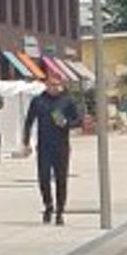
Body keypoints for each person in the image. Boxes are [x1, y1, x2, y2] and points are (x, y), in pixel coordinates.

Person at [23, 73, 82, 225]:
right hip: (44, 146)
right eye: (51, 85)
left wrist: (66, 123)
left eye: (57, 85)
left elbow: (78, 120)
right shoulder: (38, 101)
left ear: (61, 85)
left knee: (61, 179)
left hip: (61, 146)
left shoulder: (67, 101)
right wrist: (26, 143)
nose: (54, 88)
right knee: (43, 178)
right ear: (46, 85)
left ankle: (60, 212)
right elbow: (28, 122)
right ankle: (48, 205)